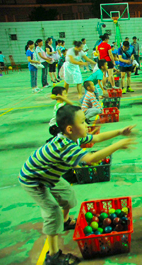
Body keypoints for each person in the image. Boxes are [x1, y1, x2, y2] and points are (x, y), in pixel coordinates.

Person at [19, 104, 136, 265]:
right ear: (69, 129)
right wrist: (118, 144)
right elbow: (90, 159)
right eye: (83, 122)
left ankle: (65, 221)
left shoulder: (74, 137)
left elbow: (96, 138)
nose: (87, 125)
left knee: (68, 195)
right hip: (35, 180)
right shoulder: (65, 146)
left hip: (49, 176)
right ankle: (53, 256)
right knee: (53, 212)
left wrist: (119, 132)